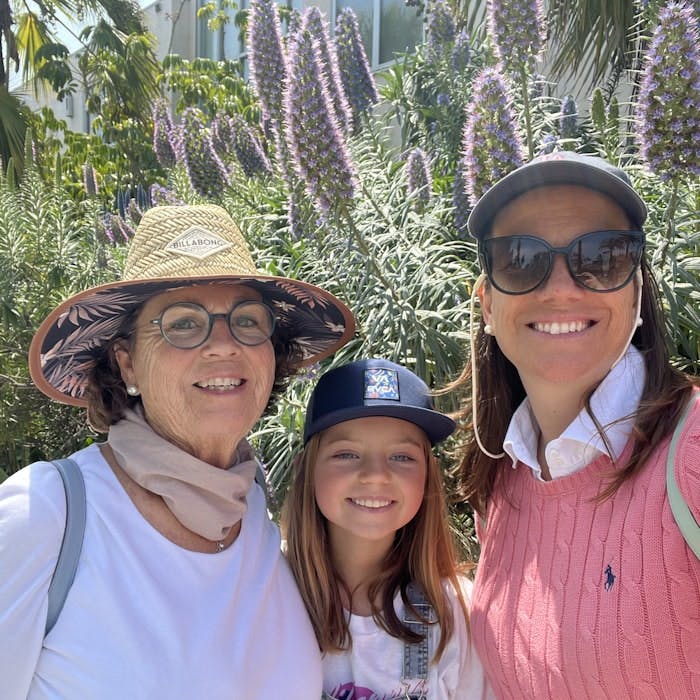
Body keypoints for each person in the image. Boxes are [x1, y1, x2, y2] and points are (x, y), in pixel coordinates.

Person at [0, 204, 356, 699]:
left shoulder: (249, 502)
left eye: (248, 320)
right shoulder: (45, 516)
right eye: (183, 323)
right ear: (128, 365)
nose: (223, 345)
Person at [453, 151, 700, 698]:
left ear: (637, 290)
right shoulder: (501, 479)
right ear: (487, 304)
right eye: (521, 258)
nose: (561, 288)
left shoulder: (692, 457)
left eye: (603, 256)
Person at [284, 358, 493, 700]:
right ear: (305, 469)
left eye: (402, 457)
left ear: (428, 474)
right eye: (347, 454)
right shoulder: (269, 591)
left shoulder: (456, 613)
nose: (376, 474)